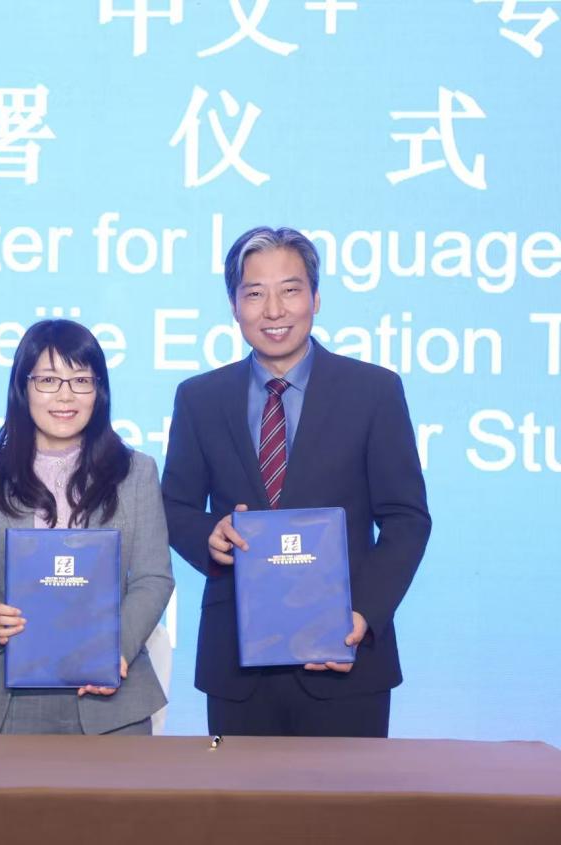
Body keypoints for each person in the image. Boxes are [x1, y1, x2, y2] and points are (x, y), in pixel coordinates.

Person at [161, 225, 431, 738]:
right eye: (254, 294)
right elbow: (174, 506)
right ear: (234, 306)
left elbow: (406, 519)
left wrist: (363, 614)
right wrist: (208, 536)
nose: (274, 310)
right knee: (239, 794)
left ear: (315, 298)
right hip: (237, 663)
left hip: (345, 657)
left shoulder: (373, 391)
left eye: (290, 290)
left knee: (346, 794)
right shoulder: (200, 398)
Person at [0, 319, 173, 735]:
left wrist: (115, 649)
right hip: (5, 699)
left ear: (99, 390)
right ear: (24, 388)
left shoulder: (136, 472)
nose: (65, 395)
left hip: (112, 699)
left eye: (81, 380)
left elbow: (153, 577)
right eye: (49, 380)